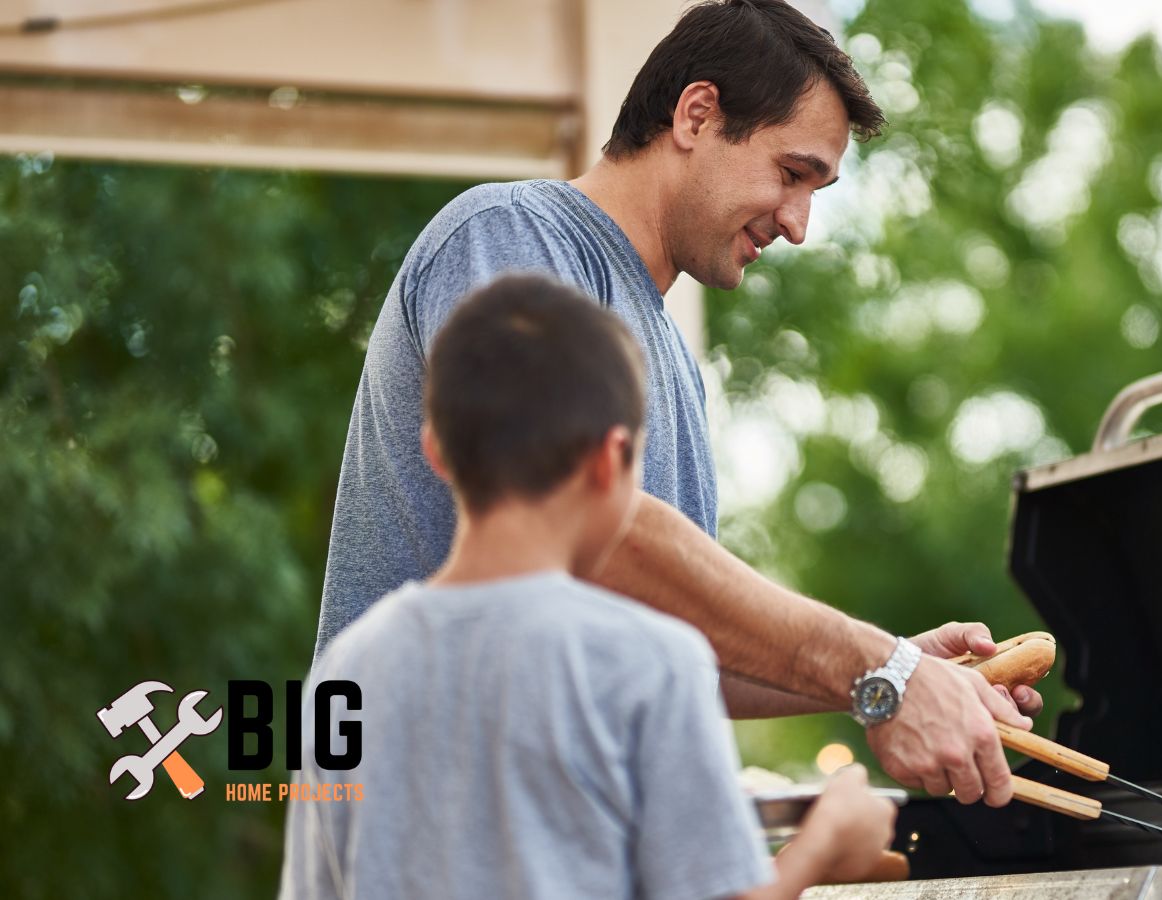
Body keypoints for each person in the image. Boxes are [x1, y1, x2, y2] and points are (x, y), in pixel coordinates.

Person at [316, 0, 1040, 806]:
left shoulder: (670, 363)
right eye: (792, 173)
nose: (799, 224)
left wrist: (896, 672)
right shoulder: (509, 238)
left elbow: (679, 647)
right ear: (697, 114)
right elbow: (580, 519)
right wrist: (881, 668)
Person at [280, 274, 897, 899]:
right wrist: (827, 843)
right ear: (612, 460)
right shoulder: (653, 662)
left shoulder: (347, 668)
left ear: (437, 450)